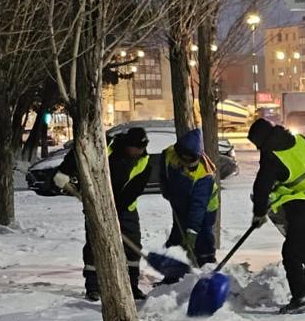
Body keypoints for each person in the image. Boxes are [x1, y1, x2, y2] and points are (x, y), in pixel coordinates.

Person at [246, 117, 305, 314]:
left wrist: (259, 213)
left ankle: (301, 298)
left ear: (261, 140)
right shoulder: (300, 140)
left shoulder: (272, 155)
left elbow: (261, 188)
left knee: (291, 256)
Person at [55, 127, 151, 302]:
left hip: (125, 208)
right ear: (127, 144)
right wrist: (64, 171)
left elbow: (133, 191)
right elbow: (79, 152)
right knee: (95, 244)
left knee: (132, 248)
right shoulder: (106, 145)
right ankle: (93, 287)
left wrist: (113, 212)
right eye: (135, 148)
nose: (138, 152)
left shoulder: (144, 162)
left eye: (141, 149)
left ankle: (131, 286)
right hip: (95, 203)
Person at [158, 128, 219, 283]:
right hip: (180, 203)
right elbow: (163, 174)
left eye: (193, 162)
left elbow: (198, 206)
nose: (190, 165)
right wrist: (166, 190)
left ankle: (207, 272)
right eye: (187, 161)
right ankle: (172, 277)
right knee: (177, 238)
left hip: (205, 210)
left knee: (202, 238)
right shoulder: (168, 155)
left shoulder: (204, 174)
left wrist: (192, 231)